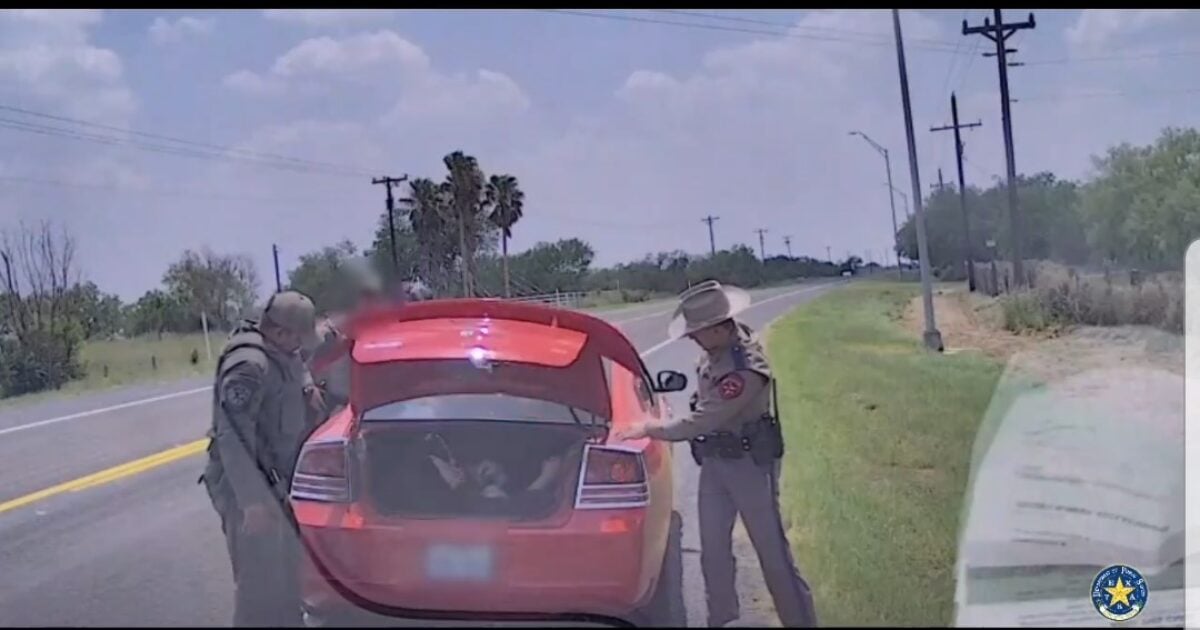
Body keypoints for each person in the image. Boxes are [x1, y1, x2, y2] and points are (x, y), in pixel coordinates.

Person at [615, 280, 818, 628]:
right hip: (715, 464)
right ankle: (721, 620)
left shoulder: (744, 368)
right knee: (713, 555)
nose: (692, 339)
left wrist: (649, 428)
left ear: (720, 329)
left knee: (773, 557)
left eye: (698, 332)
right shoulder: (716, 354)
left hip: (750, 468)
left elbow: (702, 419)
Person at [200, 291, 321, 627]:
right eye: (298, 337)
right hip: (247, 488)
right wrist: (252, 502)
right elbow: (233, 438)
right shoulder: (249, 366)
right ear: (280, 332)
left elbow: (297, 364)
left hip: (277, 483)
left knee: (287, 574)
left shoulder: (282, 350)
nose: (300, 345)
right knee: (258, 584)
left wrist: (307, 387)